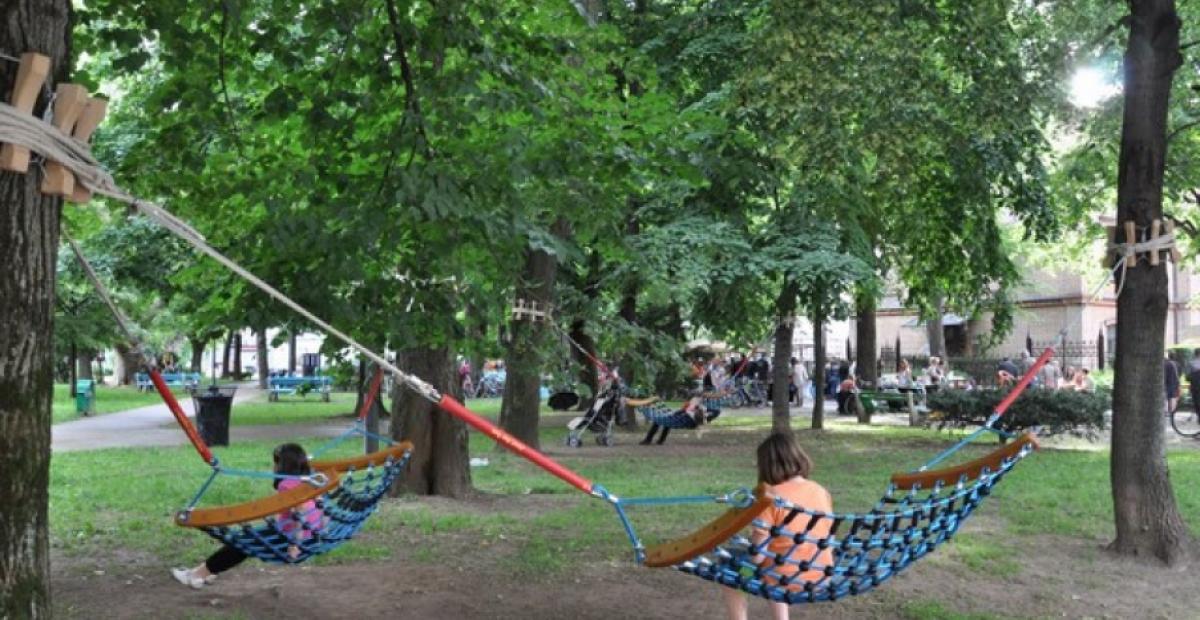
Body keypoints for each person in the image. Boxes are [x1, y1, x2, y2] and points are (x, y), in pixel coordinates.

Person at [170, 443, 322, 589]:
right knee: (243, 541)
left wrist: (295, 544)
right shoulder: (309, 479)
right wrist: (323, 530)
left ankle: (198, 575)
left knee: (241, 543)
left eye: (276, 463)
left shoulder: (287, 485)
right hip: (310, 534)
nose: (273, 467)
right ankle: (207, 571)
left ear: (283, 465)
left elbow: (300, 512)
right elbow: (320, 504)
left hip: (290, 538)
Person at [721, 433, 833, 620]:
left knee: (731, 568)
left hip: (782, 578)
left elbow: (757, 557)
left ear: (766, 466)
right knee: (782, 555)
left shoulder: (770, 499)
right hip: (821, 574)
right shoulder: (820, 491)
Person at [640, 395, 709, 445]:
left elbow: (689, 413)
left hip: (687, 420)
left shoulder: (698, 404)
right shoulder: (699, 404)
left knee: (659, 420)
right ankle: (660, 440)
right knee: (666, 420)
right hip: (687, 419)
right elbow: (683, 411)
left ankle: (649, 440)